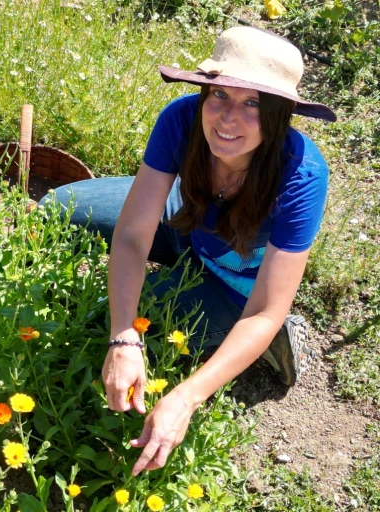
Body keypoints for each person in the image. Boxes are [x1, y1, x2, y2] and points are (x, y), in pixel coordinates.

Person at [42, 26, 336, 476]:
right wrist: (123, 336)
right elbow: (132, 234)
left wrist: (185, 397)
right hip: (186, 219)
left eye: (253, 102)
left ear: (278, 114)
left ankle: (277, 338)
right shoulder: (181, 119)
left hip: (235, 280)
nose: (227, 118)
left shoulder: (301, 174)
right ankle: (178, 271)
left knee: (103, 320)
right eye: (218, 94)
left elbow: (263, 309)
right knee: (56, 208)